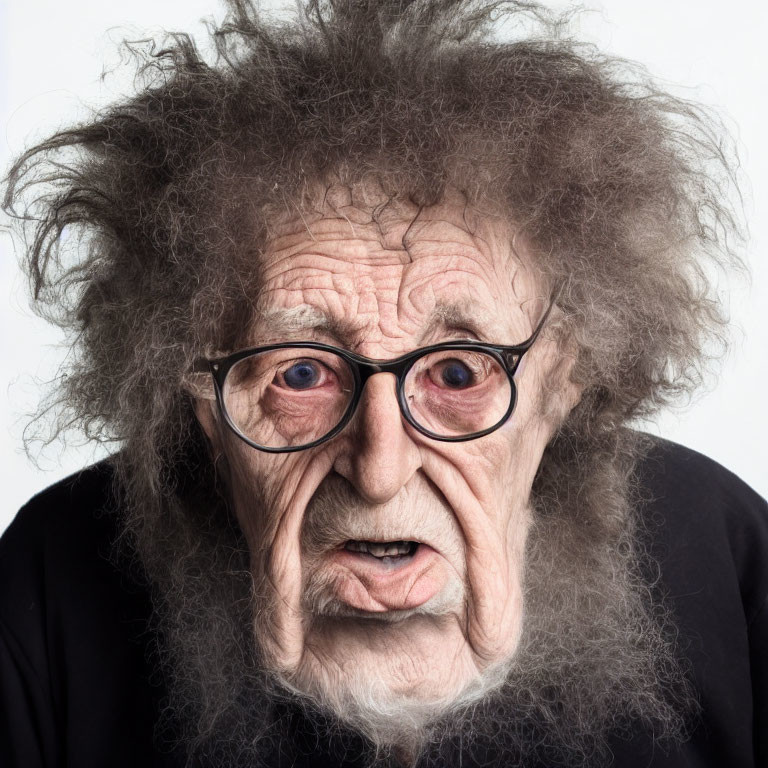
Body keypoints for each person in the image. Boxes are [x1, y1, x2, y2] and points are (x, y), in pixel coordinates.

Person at [1, 1, 766, 766]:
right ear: (203, 400)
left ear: (560, 382)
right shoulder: (51, 576)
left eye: (458, 372)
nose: (380, 469)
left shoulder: (722, 553)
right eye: (300, 374)